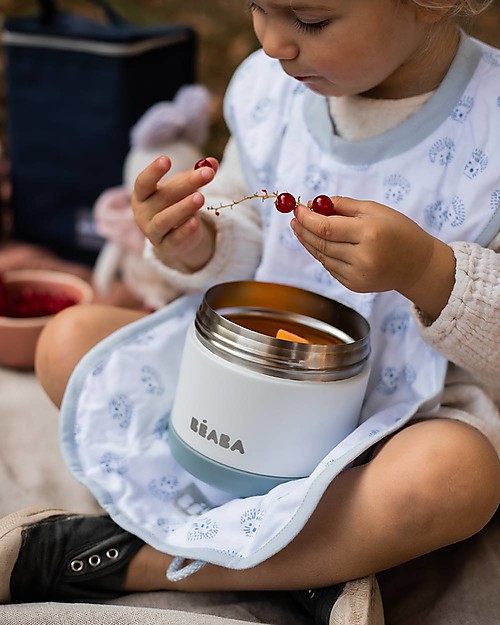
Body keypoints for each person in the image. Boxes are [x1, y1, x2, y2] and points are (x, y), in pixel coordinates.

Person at [1, 1, 500, 623]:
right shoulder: (273, 93)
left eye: (311, 22)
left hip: (392, 422)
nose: (273, 45)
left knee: (454, 479)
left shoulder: (492, 126)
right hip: (241, 395)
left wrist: (429, 272)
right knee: (69, 340)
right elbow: (246, 226)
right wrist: (197, 242)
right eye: (258, 8)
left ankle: (132, 559)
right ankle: (314, 566)